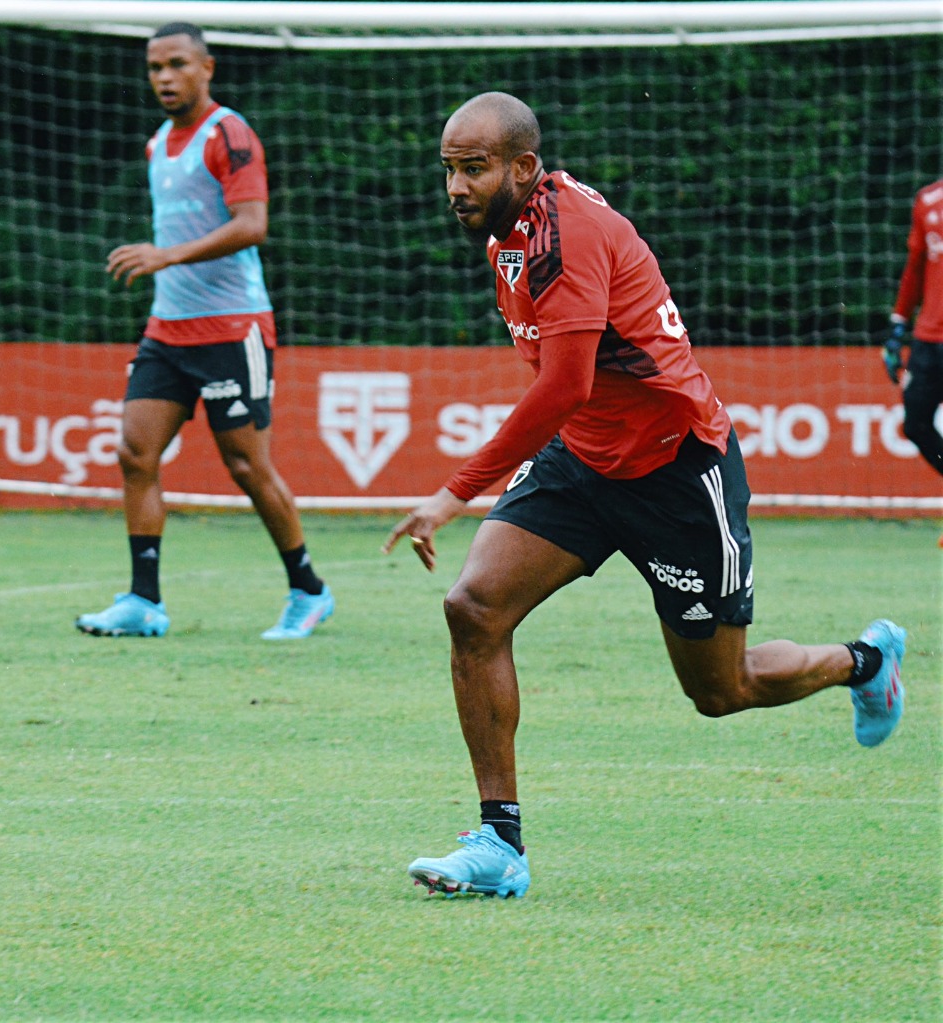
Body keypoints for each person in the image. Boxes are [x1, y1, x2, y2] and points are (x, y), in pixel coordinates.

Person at [383, 92, 907, 899]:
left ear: (523, 168)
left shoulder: (565, 237)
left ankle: (864, 662)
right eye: (449, 169)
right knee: (473, 609)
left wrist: (454, 494)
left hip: (676, 470)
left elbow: (562, 387)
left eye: (474, 168)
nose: (456, 185)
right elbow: (573, 401)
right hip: (585, 464)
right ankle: (500, 842)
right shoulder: (512, 230)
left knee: (720, 691)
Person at [75, 22, 333, 641]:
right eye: (155, 67)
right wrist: (168, 267)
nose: (165, 77)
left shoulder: (229, 133)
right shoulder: (158, 143)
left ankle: (308, 590)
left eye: (177, 64)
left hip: (231, 328)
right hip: (168, 329)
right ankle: (144, 601)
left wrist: (167, 255)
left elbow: (252, 224)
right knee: (135, 452)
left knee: (247, 468)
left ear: (206, 68)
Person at [881, 178, 943, 481]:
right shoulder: (929, 199)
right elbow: (915, 268)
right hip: (928, 339)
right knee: (915, 423)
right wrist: (897, 327)